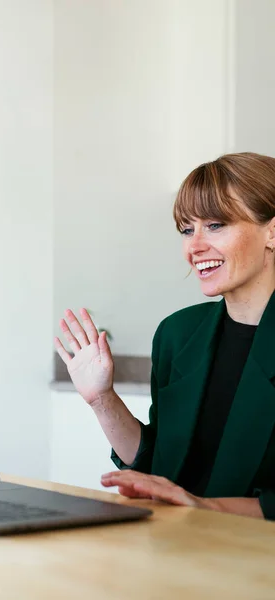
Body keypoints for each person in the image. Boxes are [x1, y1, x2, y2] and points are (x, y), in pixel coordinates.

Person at [54, 152, 275, 520]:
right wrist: (101, 398)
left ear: (272, 231)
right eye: (188, 230)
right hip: (174, 548)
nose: (195, 246)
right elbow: (158, 465)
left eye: (216, 224)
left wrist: (206, 506)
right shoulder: (177, 334)